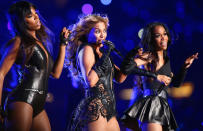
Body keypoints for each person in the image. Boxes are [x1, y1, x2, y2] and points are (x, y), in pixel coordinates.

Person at [0, 1, 70, 130]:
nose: (37, 17)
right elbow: (1, 73)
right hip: (22, 99)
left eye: (35, 13)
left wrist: (63, 44)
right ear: (22, 21)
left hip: (39, 104)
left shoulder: (40, 43)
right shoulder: (18, 42)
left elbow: (56, 74)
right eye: (30, 16)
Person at [120, 22, 198, 131]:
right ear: (152, 39)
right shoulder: (148, 56)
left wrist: (184, 67)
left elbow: (176, 84)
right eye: (158, 35)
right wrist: (156, 76)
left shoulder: (166, 59)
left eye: (164, 34)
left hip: (164, 106)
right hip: (152, 105)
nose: (163, 38)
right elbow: (127, 68)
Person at [65, 14, 126, 131]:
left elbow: (119, 78)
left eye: (104, 31)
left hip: (110, 109)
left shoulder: (102, 54)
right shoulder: (86, 49)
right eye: (97, 31)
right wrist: (106, 55)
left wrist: (132, 60)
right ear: (87, 33)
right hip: (96, 107)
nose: (102, 35)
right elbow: (90, 81)